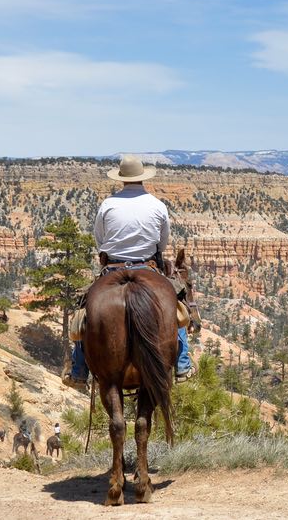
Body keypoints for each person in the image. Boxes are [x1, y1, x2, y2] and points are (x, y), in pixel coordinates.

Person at [62, 154, 194, 390]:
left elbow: (100, 240)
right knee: (176, 307)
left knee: (85, 311)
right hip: (147, 265)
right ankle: (183, 364)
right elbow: (162, 244)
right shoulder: (157, 205)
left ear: (122, 179)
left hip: (113, 266)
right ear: (143, 178)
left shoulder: (108, 204)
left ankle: (79, 370)